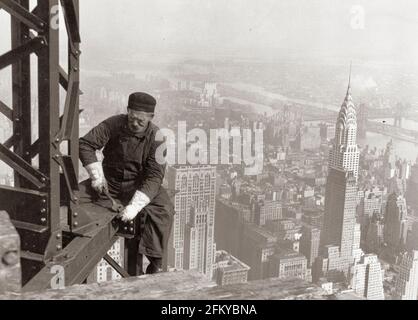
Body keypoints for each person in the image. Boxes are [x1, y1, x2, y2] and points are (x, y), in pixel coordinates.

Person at [79, 92, 174, 275]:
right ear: (127, 111)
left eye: (141, 120)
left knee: (164, 210)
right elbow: (86, 144)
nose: (135, 123)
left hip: (139, 186)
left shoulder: (157, 138)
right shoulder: (113, 123)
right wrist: (97, 176)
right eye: (132, 117)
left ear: (151, 118)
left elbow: (155, 176)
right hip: (110, 183)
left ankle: (155, 261)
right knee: (73, 197)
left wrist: (134, 207)